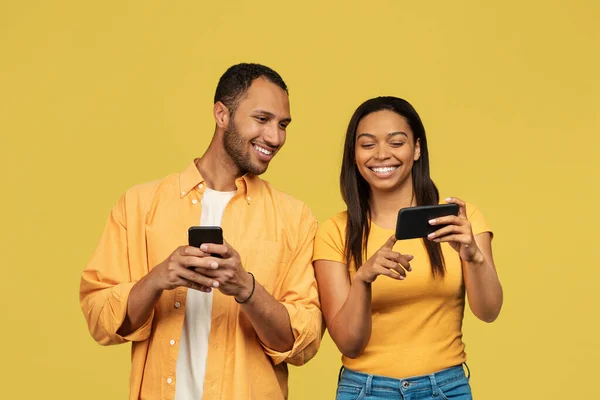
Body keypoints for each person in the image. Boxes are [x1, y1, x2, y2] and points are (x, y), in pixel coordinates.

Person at [80, 63, 323, 400]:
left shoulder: (295, 218)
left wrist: (246, 288)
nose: (275, 137)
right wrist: (159, 278)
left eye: (283, 125)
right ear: (222, 115)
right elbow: (100, 318)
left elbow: (302, 345)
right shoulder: (139, 205)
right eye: (262, 119)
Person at [312, 96, 503, 399]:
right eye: (367, 144)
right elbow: (349, 343)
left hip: (446, 389)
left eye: (396, 142)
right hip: (365, 390)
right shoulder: (335, 232)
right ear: (354, 154)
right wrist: (362, 280)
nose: (382, 154)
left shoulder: (460, 220)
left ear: (416, 149)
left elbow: (489, 311)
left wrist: (473, 256)